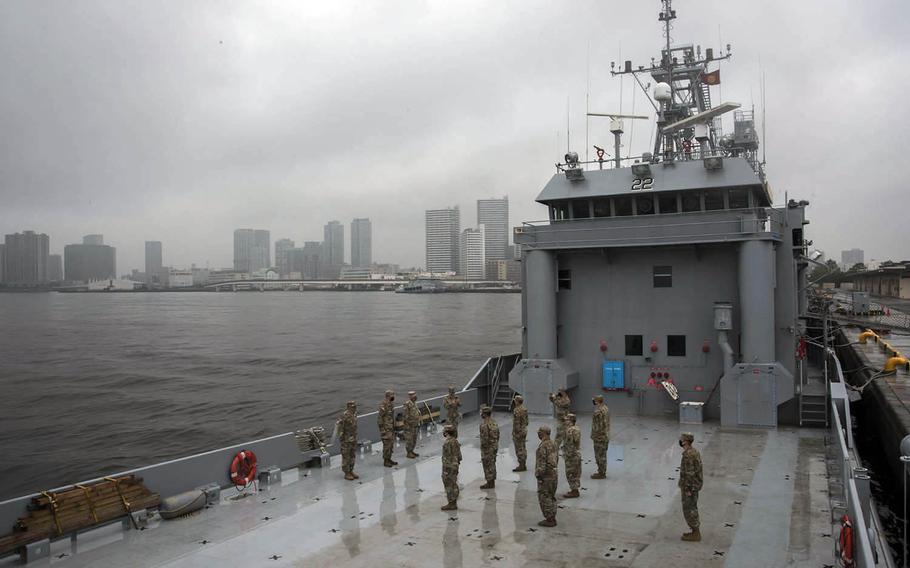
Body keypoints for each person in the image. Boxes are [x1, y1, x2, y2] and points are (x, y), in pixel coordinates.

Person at [678, 432, 704, 542]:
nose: (680, 440)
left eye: (682, 439)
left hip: (690, 487)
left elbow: (689, 473)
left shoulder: (688, 455)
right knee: (692, 507)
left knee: (690, 509)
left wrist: (688, 489)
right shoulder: (694, 452)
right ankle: (694, 531)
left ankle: (696, 533)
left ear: (686, 441)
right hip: (694, 485)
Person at [535, 425, 559, 527]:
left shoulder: (543, 446)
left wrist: (539, 476)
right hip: (554, 474)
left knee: (545, 497)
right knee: (551, 496)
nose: (538, 433)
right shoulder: (553, 444)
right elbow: (556, 459)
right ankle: (552, 516)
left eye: (539, 432)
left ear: (543, 433)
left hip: (546, 477)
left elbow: (541, 464)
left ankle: (549, 519)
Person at [440, 424, 462, 511]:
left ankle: (451, 503)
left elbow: (446, 457)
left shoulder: (447, 443)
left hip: (448, 467)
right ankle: (454, 502)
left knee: (448, 484)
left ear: (446, 432)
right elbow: (459, 456)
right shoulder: (455, 441)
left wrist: (445, 470)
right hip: (455, 465)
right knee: (454, 483)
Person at [336, 401, 359, 481]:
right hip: (346, 441)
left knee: (352, 456)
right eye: (352, 407)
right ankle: (346, 473)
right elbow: (339, 428)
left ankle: (351, 471)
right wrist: (343, 439)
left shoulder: (354, 414)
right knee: (346, 457)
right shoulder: (344, 416)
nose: (354, 408)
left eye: (355, 406)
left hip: (353, 439)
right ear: (348, 407)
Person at [479, 405, 500, 489]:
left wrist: (484, 449)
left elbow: (484, 439)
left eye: (481, 412)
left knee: (487, 464)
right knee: (492, 463)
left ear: (484, 414)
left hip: (487, 448)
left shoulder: (484, 425)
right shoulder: (494, 422)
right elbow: (498, 435)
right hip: (494, 446)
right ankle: (492, 481)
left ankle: (489, 482)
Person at [591, 395, 610, 479]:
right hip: (605, 435)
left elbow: (597, 424)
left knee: (599, 455)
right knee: (603, 454)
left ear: (596, 401)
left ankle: (601, 473)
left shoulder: (598, 411)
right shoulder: (606, 408)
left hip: (599, 436)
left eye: (594, 400)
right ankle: (602, 471)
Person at [562, 413, 581, 498]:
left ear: (570, 421)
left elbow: (571, 443)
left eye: (567, 420)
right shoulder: (574, 429)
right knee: (574, 472)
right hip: (573, 454)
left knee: (571, 473)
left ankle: (574, 491)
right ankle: (574, 489)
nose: (565, 421)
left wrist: (567, 454)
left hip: (572, 455)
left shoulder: (571, 430)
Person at [378, 390, 397, 467]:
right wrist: (382, 430)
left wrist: (394, 425)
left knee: (391, 444)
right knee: (387, 445)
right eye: (391, 395)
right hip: (386, 429)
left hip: (391, 428)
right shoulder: (383, 405)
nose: (393, 396)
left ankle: (389, 459)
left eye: (393, 394)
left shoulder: (391, 404)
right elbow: (379, 419)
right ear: (387, 396)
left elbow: (391, 416)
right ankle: (386, 461)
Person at [511, 395, 529, 472]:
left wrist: (516, 433)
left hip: (519, 432)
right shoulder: (524, 409)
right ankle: (523, 463)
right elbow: (527, 422)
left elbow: (516, 424)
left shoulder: (517, 410)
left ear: (517, 401)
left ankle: (521, 465)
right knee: (523, 447)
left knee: (519, 449)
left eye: (515, 400)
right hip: (524, 430)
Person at [403, 391, 421, 458]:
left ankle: (412, 451)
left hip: (415, 425)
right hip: (409, 426)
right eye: (413, 396)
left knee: (414, 439)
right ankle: (408, 453)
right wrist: (409, 424)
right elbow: (405, 416)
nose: (415, 397)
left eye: (415, 395)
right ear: (410, 397)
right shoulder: (407, 404)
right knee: (409, 440)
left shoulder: (414, 403)